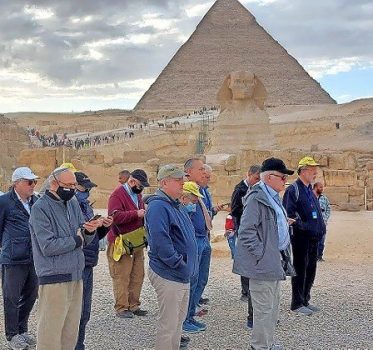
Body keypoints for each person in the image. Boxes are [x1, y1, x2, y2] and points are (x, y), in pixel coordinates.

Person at [29, 167, 102, 350]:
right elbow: (48, 246)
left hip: (75, 275)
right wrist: (77, 238)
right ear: (54, 184)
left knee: (70, 333)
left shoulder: (73, 203)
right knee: (50, 335)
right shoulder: (40, 208)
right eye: (68, 185)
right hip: (54, 278)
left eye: (73, 185)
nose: (72, 189)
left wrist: (89, 231)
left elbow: (82, 236)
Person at [233, 157, 295, 350]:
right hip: (263, 264)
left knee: (272, 307)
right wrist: (262, 254)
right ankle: (259, 346)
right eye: (282, 177)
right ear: (269, 177)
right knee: (263, 309)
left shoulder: (272, 197)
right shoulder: (256, 198)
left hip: (274, 261)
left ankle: (268, 343)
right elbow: (246, 232)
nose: (285, 180)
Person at [146, 165, 197, 350]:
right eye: (177, 180)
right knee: (168, 325)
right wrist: (179, 263)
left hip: (180, 274)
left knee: (177, 324)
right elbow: (161, 242)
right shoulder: (158, 206)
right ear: (164, 182)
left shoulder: (175, 204)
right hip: (170, 273)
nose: (182, 183)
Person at [0, 167, 39, 350]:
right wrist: (9, 247)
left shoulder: (36, 201)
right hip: (13, 259)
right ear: (17, 183)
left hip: (34, 258)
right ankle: (12, 335)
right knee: (11, 298)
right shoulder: (4, 202)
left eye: (34, 182)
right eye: (29, 182)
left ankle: (22, 329)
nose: (33, 185)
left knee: (31, 295)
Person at [74, 172, 112, 350]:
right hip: (76, 263)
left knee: (84, 311)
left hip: (88, 262)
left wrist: (104, 227)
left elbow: (93, 237)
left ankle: (79, 344)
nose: (87, 191)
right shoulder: (71, 206)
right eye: (84, 188)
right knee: (75, 310)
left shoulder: (85, 206)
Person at [283, 157, 326, 316]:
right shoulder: (293, 190)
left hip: (314, 238)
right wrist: (304, 226)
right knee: (300, 269)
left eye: (315, 169)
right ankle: (297, 303)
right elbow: (289, 216)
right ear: (303, 171)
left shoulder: (309, 189)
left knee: (311, 269)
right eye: (311, 169)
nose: (315, 173)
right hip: (301, 238)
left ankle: (305, 299)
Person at [107, 169, 149, 318]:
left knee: (138, 274)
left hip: (136, 241)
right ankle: (121, 307)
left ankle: (133, 305)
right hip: (122, 242)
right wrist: (135, 214)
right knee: (122, 275)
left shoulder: (137, 194)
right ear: (131, 182)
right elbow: (114, 216)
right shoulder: (117, 195)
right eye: (139, 185)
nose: (141, 188)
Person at [230, 164, 261, 330]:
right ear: (249, 174)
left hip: (252, 230)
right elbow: (234, 209)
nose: (257, 182)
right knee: (245, 262)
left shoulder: (256, 190)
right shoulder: (240, 189)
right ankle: (245, 291)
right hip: (243, 228)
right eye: (256, 178)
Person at [313, 182, 331, 261]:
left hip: (322, 223)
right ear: (315, 187)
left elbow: (328, 209)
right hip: (312, 223)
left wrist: (325, 218)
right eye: (320, 187)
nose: (322, 189)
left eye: (322, 187)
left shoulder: (324, 198)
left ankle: (319, 256)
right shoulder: (310, 198)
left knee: (322, 240)